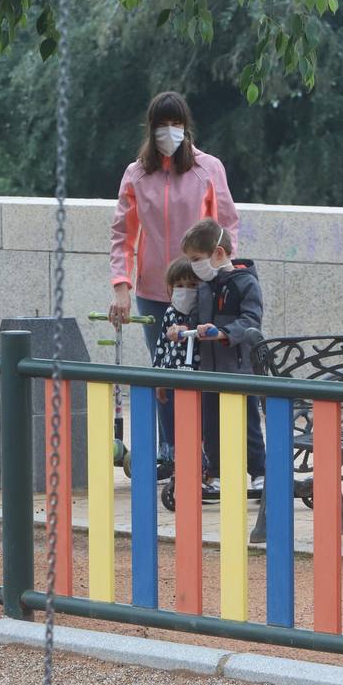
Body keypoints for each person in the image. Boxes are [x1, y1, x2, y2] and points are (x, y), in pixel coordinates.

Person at [109, 91, 239, 469]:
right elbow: (122, 234)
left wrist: (221, 271)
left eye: (176, 123)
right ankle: (171, 454)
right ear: (151, 128)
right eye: (162, 124)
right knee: (164, 370)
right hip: (153, 290)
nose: (170, 131)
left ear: (186, 126)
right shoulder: (136, 173)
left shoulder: (208, 168)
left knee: (202, 368)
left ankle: (209, 454)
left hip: (201, 285)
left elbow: (226, 225)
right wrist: (121, 286)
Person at [178, 218, 265, 498]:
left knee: (247, 423)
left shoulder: (246, 283)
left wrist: (223, 333)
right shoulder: (205, 286)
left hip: (239, 369)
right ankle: (214, 472)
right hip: (210, 369)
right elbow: (196, 319)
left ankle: (260, 472)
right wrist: (183, 329)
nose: (194, 266)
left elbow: (251, 320)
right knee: (211, 424)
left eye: (196, 259)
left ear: (218, 253)